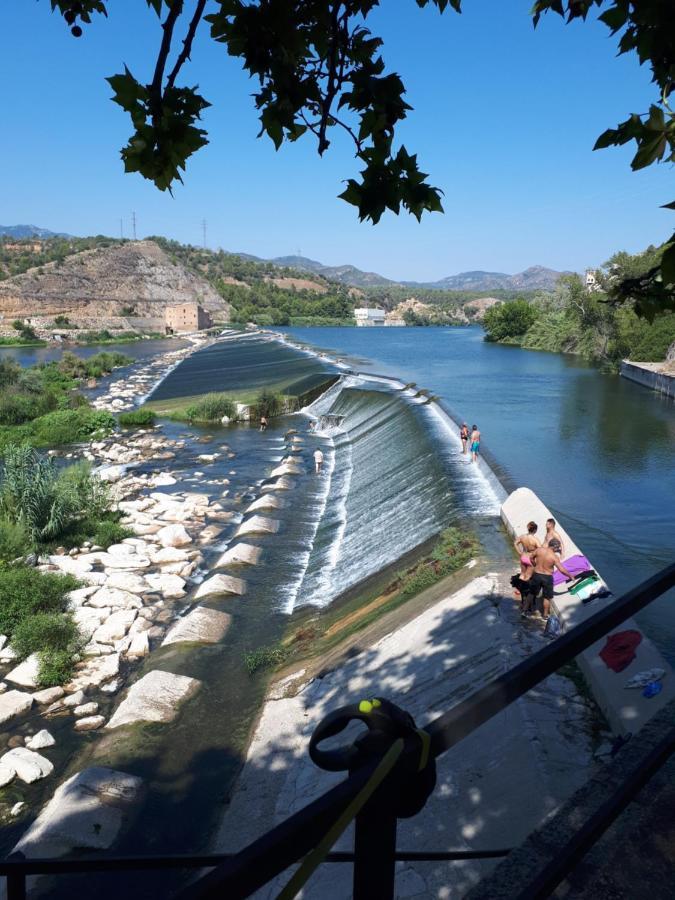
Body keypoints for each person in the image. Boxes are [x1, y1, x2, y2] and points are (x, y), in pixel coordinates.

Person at [526, 544, 575, 620]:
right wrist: (570, 576)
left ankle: (524, 610)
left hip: (537, 575)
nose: (558, 550)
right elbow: (561, 569)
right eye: (558, 548)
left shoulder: (539, 550)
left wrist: (534, 564)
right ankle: (545, 616)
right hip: (547, 577)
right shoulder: (554, 557)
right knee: (547, 597)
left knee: (531, 593)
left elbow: (531, 557)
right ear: (554, 547)